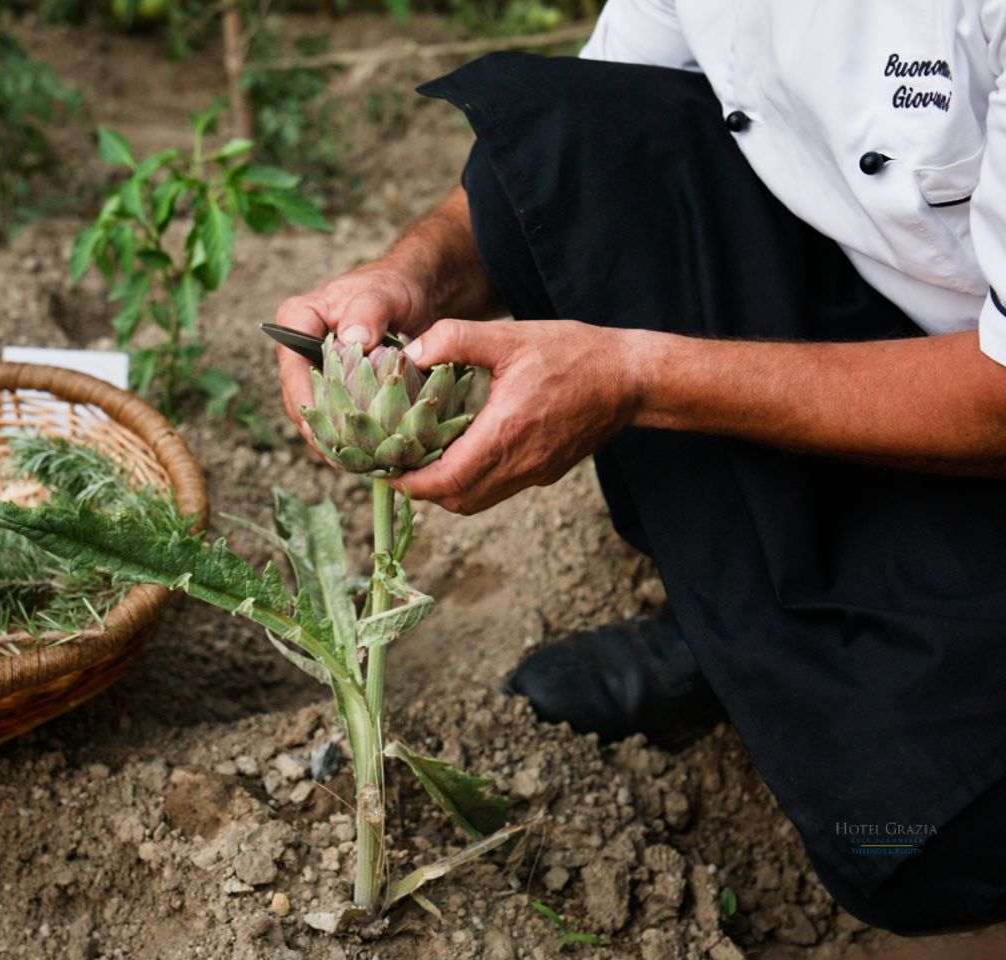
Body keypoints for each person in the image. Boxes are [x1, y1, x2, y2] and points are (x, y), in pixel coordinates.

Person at [273, 0, 1006, 938]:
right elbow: (577, 146)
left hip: (979, 397)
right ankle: (733, 624)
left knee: (911, 832)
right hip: (865, 299)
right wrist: (410, 275)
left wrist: (635, 378)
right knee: (567, 138)